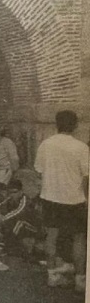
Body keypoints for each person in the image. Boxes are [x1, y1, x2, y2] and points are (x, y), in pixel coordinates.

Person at [34, 110, 89, 292]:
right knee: (79, 237)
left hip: (50, 198)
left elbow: (38, 170)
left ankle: (52, 276)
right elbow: (86, 176)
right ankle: (80, 280)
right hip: (75, 199)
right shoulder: (81, 147)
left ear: (56, 125)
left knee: (52, 236)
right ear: (75, 125)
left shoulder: (45, 145)